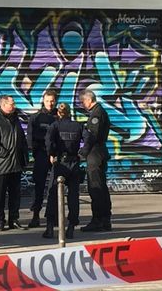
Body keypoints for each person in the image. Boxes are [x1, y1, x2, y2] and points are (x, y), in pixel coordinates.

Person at [0, 95, 28, 231]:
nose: (14, 106)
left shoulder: (16, 120)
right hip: (2, 165)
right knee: (0, 196)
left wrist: (24, 156)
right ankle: (0, 220)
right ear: (3, 105)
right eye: (11, 104)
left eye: (13, 104)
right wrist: (4, 153)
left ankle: (14, 219)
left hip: (16, 164)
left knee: (15, 195)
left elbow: (22, 140)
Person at [43, 102, 83, 239]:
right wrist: (82, 153)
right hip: (74, 162)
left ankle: (49, 227)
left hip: (60, 162)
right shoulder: (78, 126)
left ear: (59, 113)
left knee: (53, 194)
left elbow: (48, 141)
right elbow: (88, 140)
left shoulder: (55, 125)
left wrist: (51, 154)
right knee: (73, 196)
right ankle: (71, 227)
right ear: (70, 112)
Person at [78, 89, 112, 232]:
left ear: (88, 100)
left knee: (96, 188)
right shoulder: (100, 111)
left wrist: (82, 153)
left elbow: (92, 136)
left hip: (95, 155)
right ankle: (105, 220)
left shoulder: (96, 114)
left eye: (82, 101)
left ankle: (98, 220)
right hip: (99, 153)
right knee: (101, 188)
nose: (82, 104)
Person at [26, 89, 58, 228]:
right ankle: (35, 216)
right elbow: (30, 138)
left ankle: (54, 216)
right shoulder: (35, 118)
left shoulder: (59, 117)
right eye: (47, 101)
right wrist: (36, 152)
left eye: (52, 101)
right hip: (41, 155)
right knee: (38, 186)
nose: (50, 104)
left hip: (56, 156)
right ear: (43, 101)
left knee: (56, 186)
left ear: (55, 101)